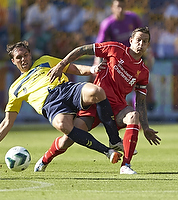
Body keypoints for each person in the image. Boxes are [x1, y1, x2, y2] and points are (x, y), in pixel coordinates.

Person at [0, 41, 123, 165]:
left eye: (26, 55)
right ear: (13, 61)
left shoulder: (44, 61)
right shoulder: (15, 88)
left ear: (30, 55)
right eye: (19, 57)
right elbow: (7, 122)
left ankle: (114, 140)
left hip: (66, 89)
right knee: (65, 133)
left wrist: (93, 68)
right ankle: (107, 152)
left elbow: (75, 68)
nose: (23, 59)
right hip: (51, 106)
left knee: (97, 91)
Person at [35, 27, 161, 174]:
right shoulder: (115, 49)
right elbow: (83, 49)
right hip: (94, 103)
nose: (140, 44)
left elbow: (140, 102)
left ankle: (125, 165)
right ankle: (45, 159)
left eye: (145, 41)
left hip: (117, 107)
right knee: (69, 138)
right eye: (138, 40)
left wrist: (145, 127)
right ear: (131, 41)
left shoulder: (143, 72)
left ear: (148, 45)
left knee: (133, 116)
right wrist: (61, 64)